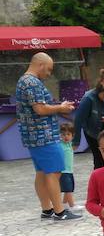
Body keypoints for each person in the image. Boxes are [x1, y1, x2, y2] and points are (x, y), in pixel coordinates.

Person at [16, 52, 80, 221]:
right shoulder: (32, 82)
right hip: (42, 134)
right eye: (49, 69)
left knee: (42, 172)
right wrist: (60, 107)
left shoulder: (24, 81)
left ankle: (47, 209)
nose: (49, 74)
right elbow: (40, 109)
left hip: (34, 135)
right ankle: (59, 211)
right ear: (41, 65)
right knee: (54, 171)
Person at [73, 81, 104, 170]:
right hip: (92, 132)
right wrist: (76, 141)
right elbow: (78, 119)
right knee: (99, 159)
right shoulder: (88, 99)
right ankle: (98, 180)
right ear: (99, 91)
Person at [58, 122, 81, 212]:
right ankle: (72, 205)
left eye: (68, 134)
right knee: (68, 190)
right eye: (63, 134)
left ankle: (64, 204)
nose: (66, 136)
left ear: (72, 135)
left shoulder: (70, 145)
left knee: (68, 188)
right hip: (63, 171)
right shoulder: (60, 145)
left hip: (69, 171)